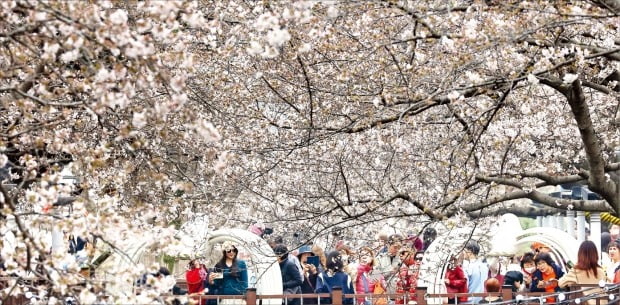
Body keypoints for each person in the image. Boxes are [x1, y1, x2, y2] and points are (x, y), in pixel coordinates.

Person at [558, 240, 606, 305]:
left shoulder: (576, 270)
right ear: (595, 254)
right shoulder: (600, 270)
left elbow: (561, 283)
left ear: (580, 254)